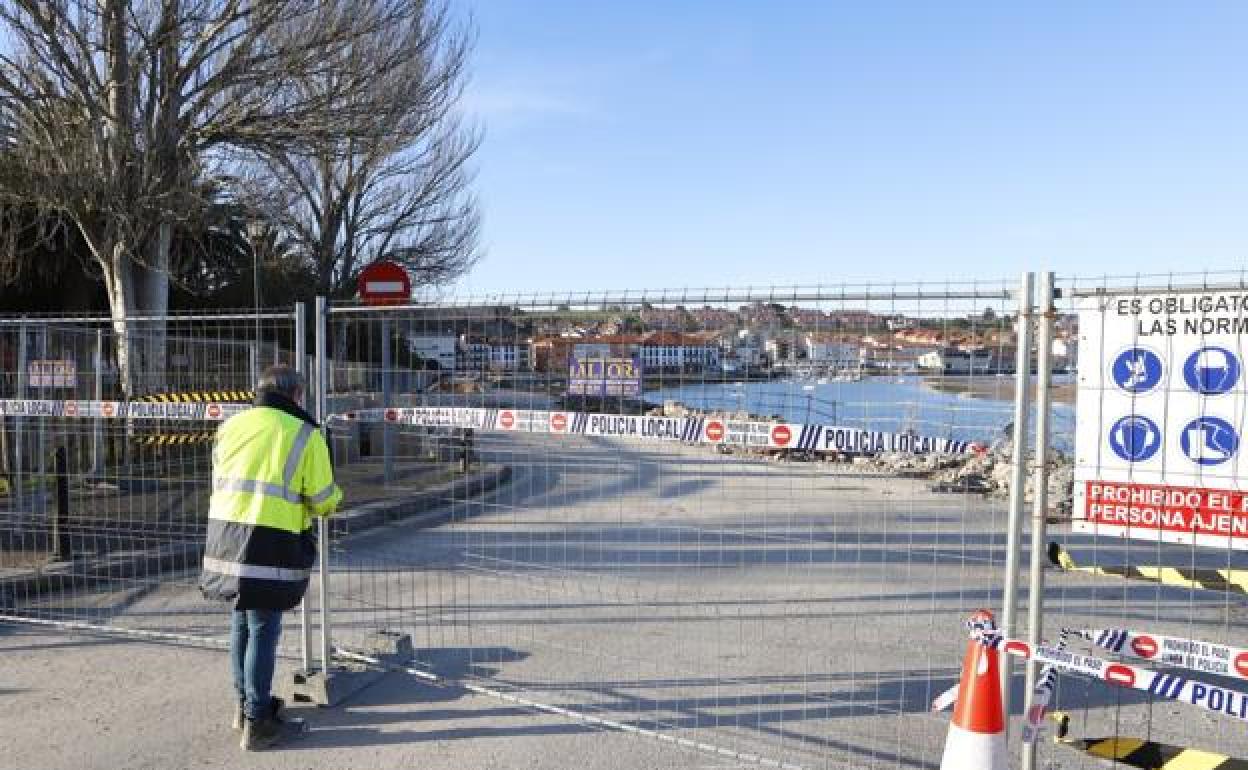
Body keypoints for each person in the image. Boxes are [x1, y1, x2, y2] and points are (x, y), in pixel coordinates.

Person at [200, 365, 342, 751]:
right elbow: (323, 498)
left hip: (226, 535)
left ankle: (244, 705)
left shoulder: (232, 425)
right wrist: (332, 503)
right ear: (296, 396)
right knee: (263, 627)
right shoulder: (305, 434)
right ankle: (258, 721)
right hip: (269, 540)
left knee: (241, 622)